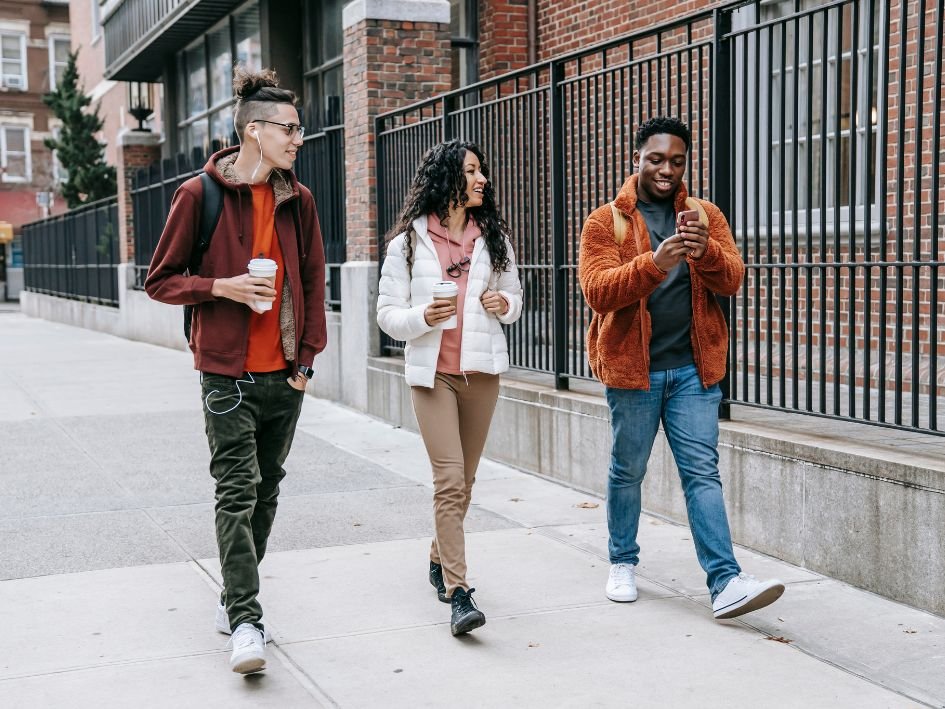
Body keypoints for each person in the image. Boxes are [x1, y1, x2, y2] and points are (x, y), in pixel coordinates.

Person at [145, 66, 326, 673]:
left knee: (267, 490)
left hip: (285, 375)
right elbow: (160, 281)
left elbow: (312, 282)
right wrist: (222, 286)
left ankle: (234, 594)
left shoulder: (297, 200)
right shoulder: (200, 195)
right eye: (290, 129)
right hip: (225, 374)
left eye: (299, 129)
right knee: (236, 491)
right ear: (254, 131)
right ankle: (246, 620)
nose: (298, 138)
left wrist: (306, 362)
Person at [578, 116, 784, 619]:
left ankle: (725, 581)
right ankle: (622, 561)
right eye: (656, 159)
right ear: (636, 160)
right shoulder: (608, 221)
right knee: (628, 471)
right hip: (635, 373)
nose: (666, 169)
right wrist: (656, 262)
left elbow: (733, 279)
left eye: (676, 160)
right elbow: (596, 291)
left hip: (694, 371)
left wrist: (705, 251)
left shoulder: (703, 214)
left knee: (702, 474)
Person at [377, 139, 523, 636]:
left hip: (480, 373)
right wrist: (423, 316)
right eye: (472, 171)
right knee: (450, 480)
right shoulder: (408, 245)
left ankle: (439, 555)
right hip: (432, 374)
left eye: (482, 171)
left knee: (467, 480)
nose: (482, 179)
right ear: (447, 180)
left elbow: (515, 295)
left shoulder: (492, 238)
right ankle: (460, 594)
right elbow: (386, 315)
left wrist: (504, 305)